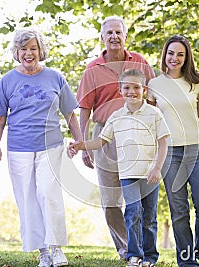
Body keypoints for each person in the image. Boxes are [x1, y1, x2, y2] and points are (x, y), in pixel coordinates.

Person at [0, 28, 82, 267]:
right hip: (18, 147)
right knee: (27, 200)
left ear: (41, 51)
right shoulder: (7, 81)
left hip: (50, 145)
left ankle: (57, 248)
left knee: (48, 193)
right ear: (17, 52)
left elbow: (71, 114)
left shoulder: (55, 77)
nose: (29, 53)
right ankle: (43, 252)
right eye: (24, 49)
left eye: (33, 48)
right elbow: (0, 120)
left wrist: (81, 143)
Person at [69, 69, 169, 267]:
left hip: (150, 174)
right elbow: (101, 141)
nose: (132, 91)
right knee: (133, 212)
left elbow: (164, 141)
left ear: (144, 89)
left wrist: (157, 168)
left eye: (136, 87)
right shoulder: (116, 116)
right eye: (127, 88)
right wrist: (81, 144)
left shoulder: (154, 113)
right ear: (120, 90)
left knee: (149, 216)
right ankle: (134, 255)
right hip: (128, 173)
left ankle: (150, 257)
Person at [76, 15, 155, 259]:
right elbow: (85, 110)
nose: (114, 37)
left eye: (118, 32)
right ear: (102, 37)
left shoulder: (141, 63)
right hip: (105, 137)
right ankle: (126, 248)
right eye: (109, 33)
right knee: (111, 199)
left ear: (125, 36)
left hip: (138, 134)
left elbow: (155, 99)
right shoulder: (93, 69)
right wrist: (84, 146)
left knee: (139, 197)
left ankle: (141, 248)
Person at [147, 35, 199, 267]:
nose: (174, 58)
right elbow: (152, 121)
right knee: (179, 210)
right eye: (171, 53)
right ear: (165, 55)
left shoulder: (195, 83)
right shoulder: (154, 85)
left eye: (180, 54)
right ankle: (187, 262)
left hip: (198, 150)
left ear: (186, 58)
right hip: (170, 154)